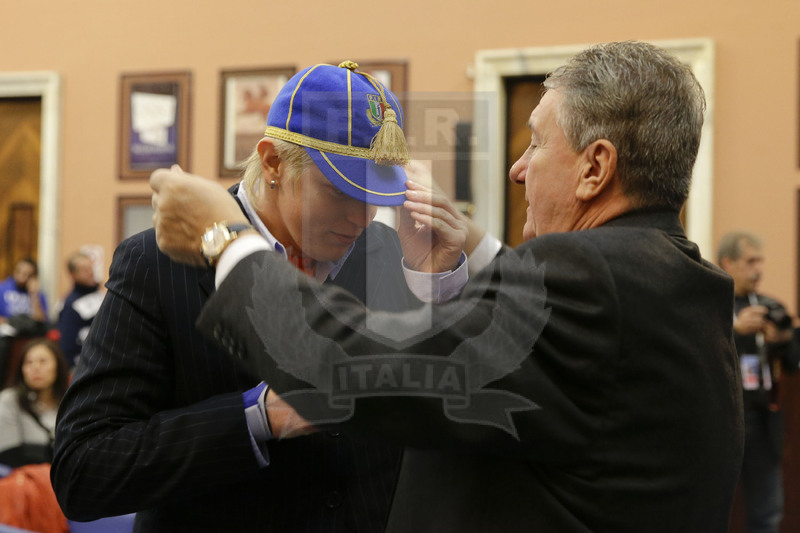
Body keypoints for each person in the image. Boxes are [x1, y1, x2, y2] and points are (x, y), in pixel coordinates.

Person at [151, 41, 744, 532]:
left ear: (595, 167)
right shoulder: (677, 278)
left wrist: (224, 242)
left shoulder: (589, 281)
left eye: (535, 142)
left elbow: (350, 368)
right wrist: (472, 258)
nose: (518, 167)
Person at [52, 61, 487, 532]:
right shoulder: (158, 262)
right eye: (341, 192)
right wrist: (256, 418)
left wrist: (441, 291)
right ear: (273, 162)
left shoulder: (392, 255)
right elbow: (84, 470)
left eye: (374, 196)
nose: (361, 218)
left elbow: (448, 418)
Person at [718, 231, 798, 533]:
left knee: (768, 511)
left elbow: (792, 363)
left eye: (760, 261)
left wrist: (781, 340)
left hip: (764, 420)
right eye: (751, 261)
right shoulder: (713, 306)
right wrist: (735, 331)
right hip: (724, 421)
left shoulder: (766, 305)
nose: (758, 269)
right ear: (728, 262)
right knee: (713, 508)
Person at [0, 338, 69, 468]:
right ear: (22, 369)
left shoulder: (69, 404)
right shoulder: (10, 400)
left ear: (58, 366)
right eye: (28, 362)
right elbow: (7, 454)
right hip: (25, 480)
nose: (35, 367)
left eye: (43, 362)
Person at [0, 258, 50, 386]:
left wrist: (34, 295)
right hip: (7, 336)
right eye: (20, 272)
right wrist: (11, 321)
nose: (22, 276)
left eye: (28, 274)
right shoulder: (3, 289)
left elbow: (41, 321)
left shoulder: (38, 294)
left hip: (28, 335)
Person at [57, 251, 104, 369]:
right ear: (73, 275)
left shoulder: (102, 295)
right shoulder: (70, 305)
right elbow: (67, 346)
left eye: (91, 267)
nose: (90, 272)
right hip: (87, 365)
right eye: (84, 269)